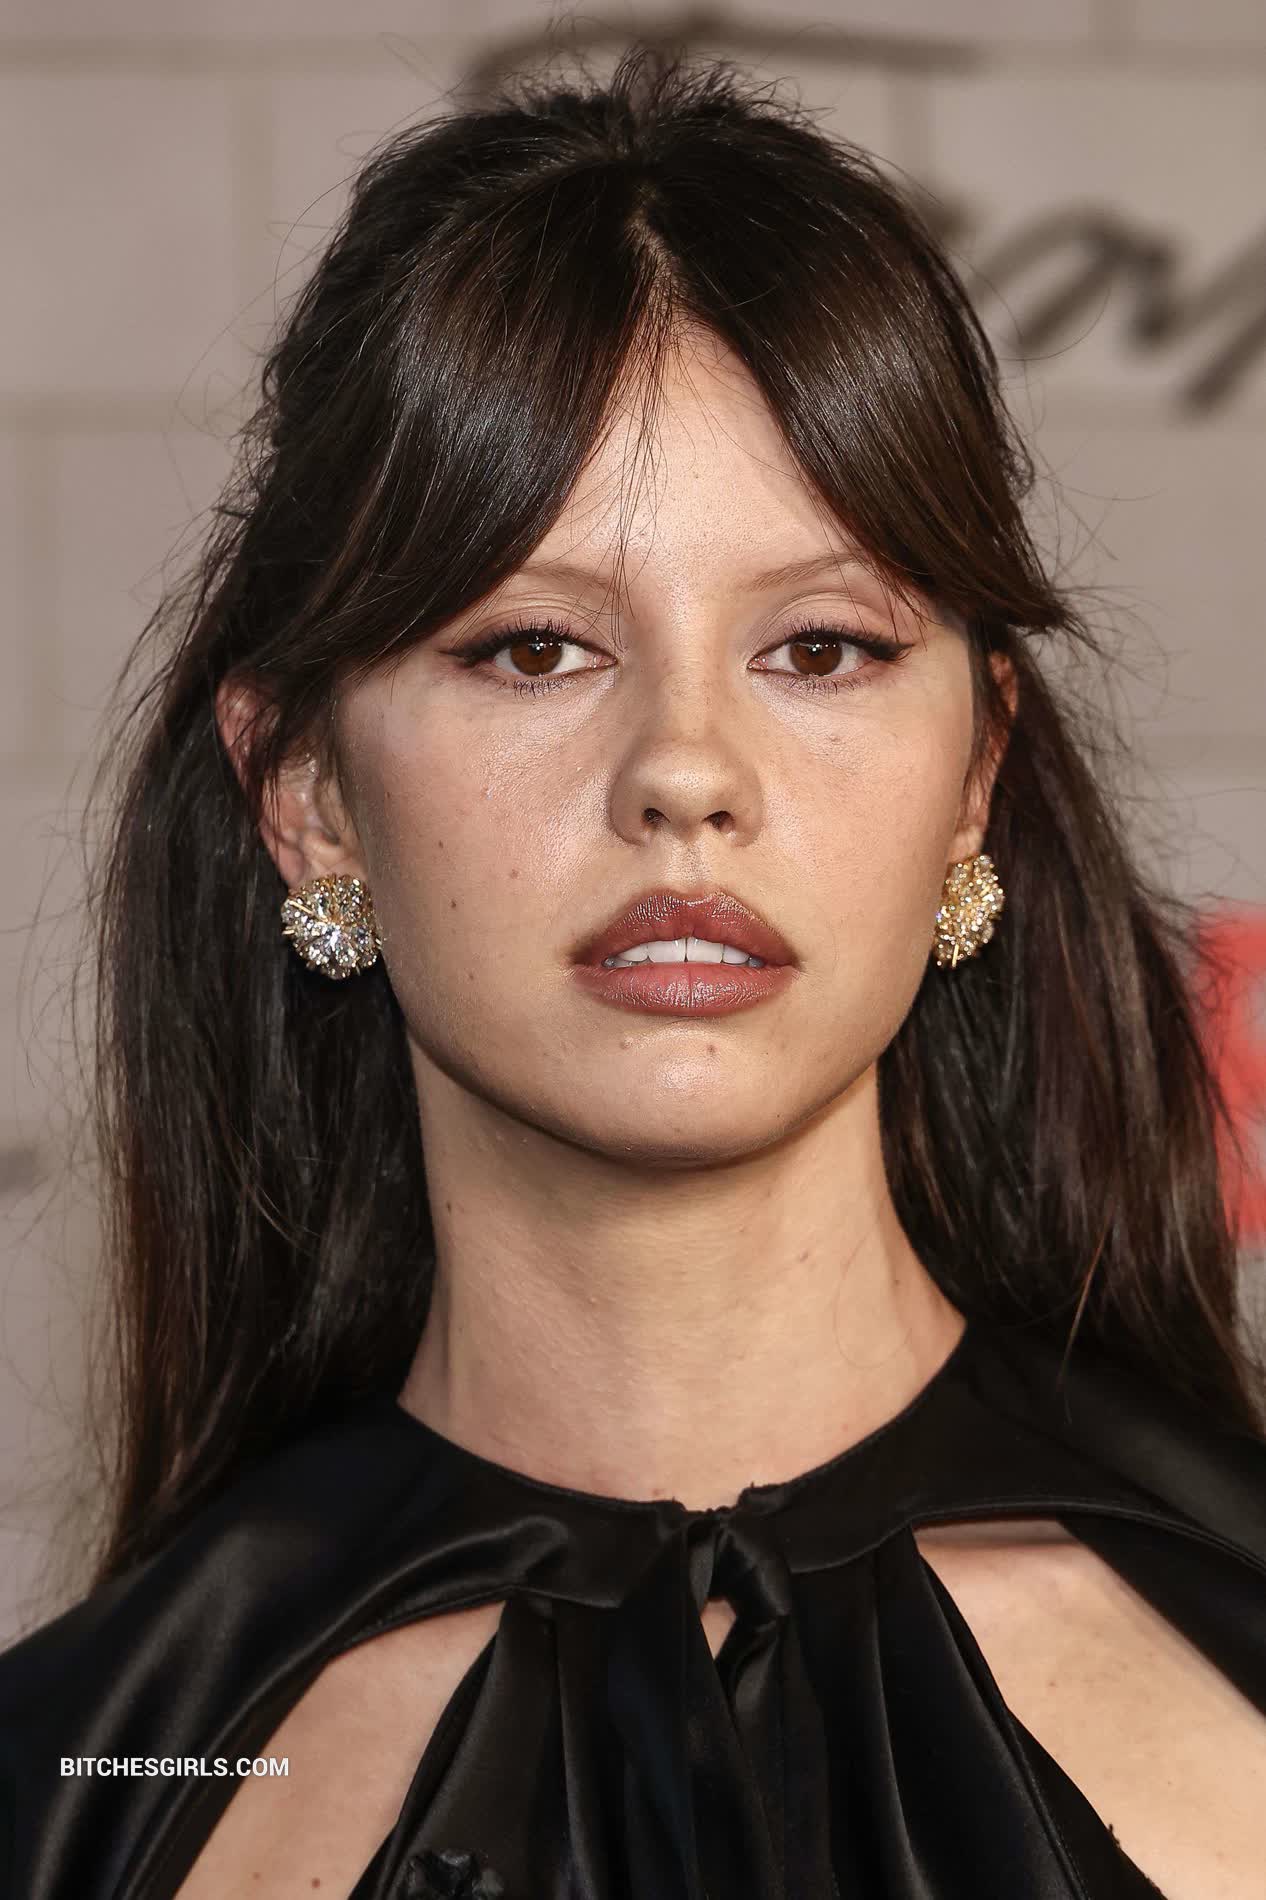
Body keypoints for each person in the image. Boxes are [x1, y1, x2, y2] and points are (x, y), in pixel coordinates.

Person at [2, 41, 1265, 1900]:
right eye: (532, 649)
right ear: (309, 798)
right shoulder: (93, 1774)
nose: (684, 771)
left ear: (973, 775)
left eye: (820, 648)